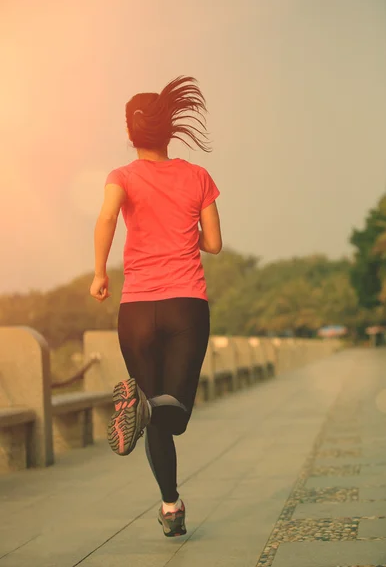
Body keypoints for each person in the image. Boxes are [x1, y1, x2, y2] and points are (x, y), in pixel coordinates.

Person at [90, 76, 222, 538]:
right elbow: (215, 244)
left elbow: (107, 216)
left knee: (153, 412)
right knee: (176, 413)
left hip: (136, 310)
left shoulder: (121, 176)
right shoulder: (198, 176)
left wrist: (100, 273)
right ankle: (146, 412)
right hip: (186, 305)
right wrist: (189, 232)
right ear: (170, 131)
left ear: (131, 133)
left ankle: (171, 506)